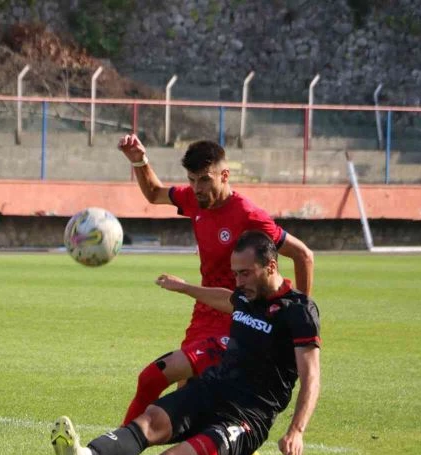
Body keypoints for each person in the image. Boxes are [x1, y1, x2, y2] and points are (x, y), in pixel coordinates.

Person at [51, 231, 321, 455]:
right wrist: (184, 288)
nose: (239, 282)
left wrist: (296, 430)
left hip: (247, 417)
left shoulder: (298, 311)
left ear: (271, 266)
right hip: (211, 390)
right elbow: (227, 299)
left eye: (245, 273)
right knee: (150, 420)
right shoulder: (245, 293)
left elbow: (311, 376)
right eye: (236, 274)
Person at [117, 135, 315, 427]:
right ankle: (233, 449)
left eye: (205, 180)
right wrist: (138, 159)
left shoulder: (249, 216)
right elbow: (154, 193)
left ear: (224, 175)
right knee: (186, 398)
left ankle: (111, 446)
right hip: (203, 312)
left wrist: (298, 314)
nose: (197, 188)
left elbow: (304, 255)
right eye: (192, 180)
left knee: (162, 381)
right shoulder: (194, 200)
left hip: (237, 317)